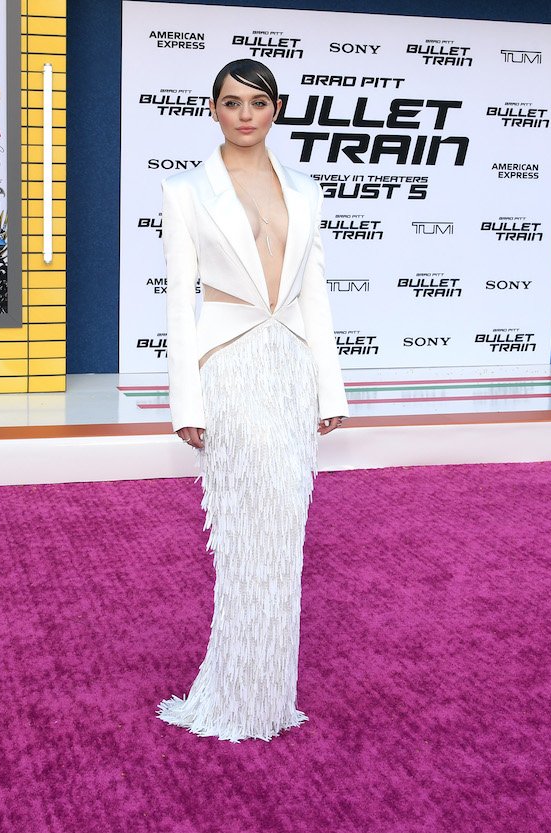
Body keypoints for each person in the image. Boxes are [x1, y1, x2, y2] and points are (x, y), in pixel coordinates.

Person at [156, 59, 347, 742]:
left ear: (276, 110)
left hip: (291, 367)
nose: (245, 114)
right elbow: (181, 303)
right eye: (232, 102)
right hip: (230, 369)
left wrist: (330, 385)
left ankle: (268, 695)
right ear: (212, 109)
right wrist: (187, 403)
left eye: (258, 102)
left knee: (285, 533)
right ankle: (233, 695)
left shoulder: (305, 189)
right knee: (245, 535)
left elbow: (314, 293)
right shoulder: (185, 192)